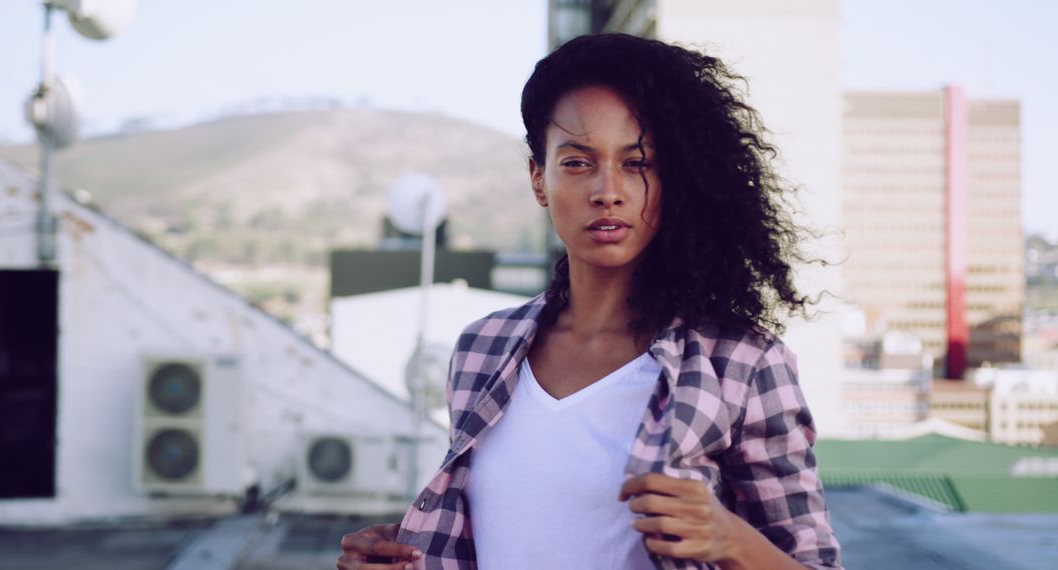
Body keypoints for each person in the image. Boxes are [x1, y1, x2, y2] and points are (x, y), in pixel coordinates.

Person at [338, 33, 842, 570]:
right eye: (578, 162)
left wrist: (733, 542)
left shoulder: (740, 364)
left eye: (638, 163)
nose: (608, 190)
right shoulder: (482, 349)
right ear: (539, 178)